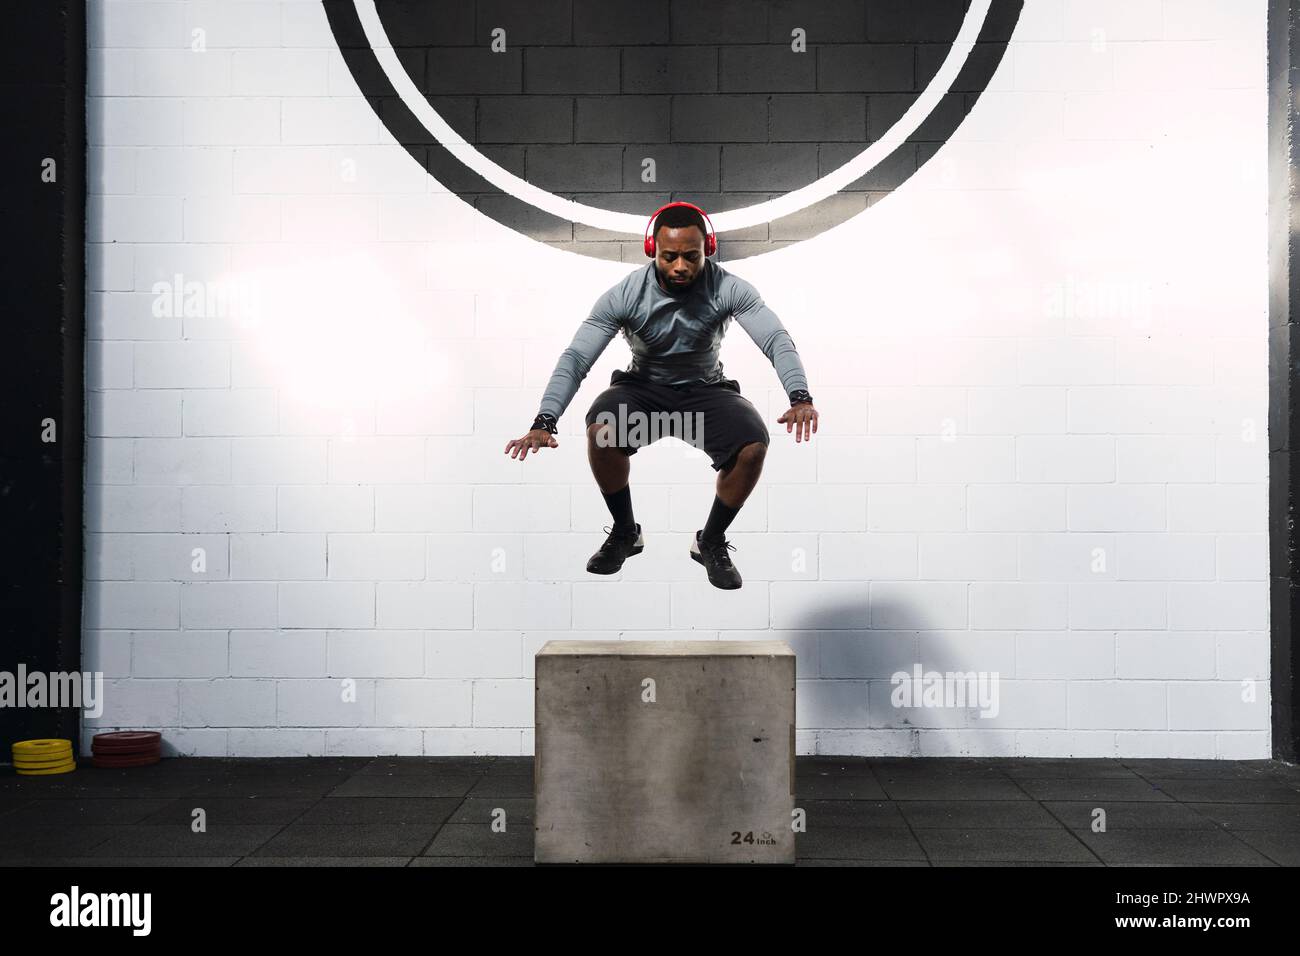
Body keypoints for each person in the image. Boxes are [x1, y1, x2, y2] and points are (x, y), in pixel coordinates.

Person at [503, 202, 817, 589]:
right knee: (601, 430)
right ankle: (624, 532)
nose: (681, 266)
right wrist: (544, 419)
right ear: (653, 251)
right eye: (670, 257)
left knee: (752, 446)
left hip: (706, 393)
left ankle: (711, 541)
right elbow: (577, 358)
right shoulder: (626, 294)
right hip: (643, 392)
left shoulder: (730, 288)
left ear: (708, 250)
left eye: (691, 256)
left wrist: (799, 395)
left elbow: (775, 339)